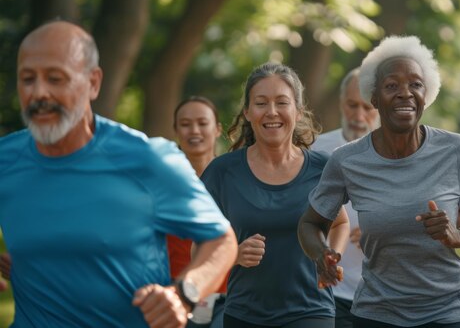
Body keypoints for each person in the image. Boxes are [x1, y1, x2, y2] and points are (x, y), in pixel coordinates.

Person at [0, 20, 237, 328]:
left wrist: (183, 294)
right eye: (27, 79)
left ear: (93, 82)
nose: (38, 92)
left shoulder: (148, 160)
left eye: (56, 79)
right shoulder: (6, 159)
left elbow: (221, 240)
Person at [298, 35, 460, 328]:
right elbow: (310, 224)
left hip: (449, 311)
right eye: (391, 85)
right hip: (377, 313)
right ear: (374, 97)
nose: (405, 93)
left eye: (415, 85)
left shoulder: (456, 150)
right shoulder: (347, 160)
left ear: (427, 94)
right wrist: (322, 254)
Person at [200, 62, 349, 328]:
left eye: (282, 102)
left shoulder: (322, 168)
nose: (272, 112)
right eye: (261, 103)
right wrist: (234, 254)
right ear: (247, 112)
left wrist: (330, 256)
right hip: (245, 313)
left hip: (311, 310)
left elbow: (340, 222)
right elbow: (199, 248)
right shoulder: (222, 172)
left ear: (298, 110)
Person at [311, 67, 379, 328]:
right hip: (330, 291)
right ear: (341, 103)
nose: (358, 116)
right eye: (352, 105)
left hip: (382, 294)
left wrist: (382, 231)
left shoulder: (401, 156)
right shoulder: (315, 150)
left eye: (367, 107)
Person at [169, 96, 227, 328]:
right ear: (176, 130)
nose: (194, 130)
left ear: (217, 129)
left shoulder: (235, 178)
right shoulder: (162, 181)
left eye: (203, 123)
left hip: (228, 294)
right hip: (177, 294)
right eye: (185, 124)